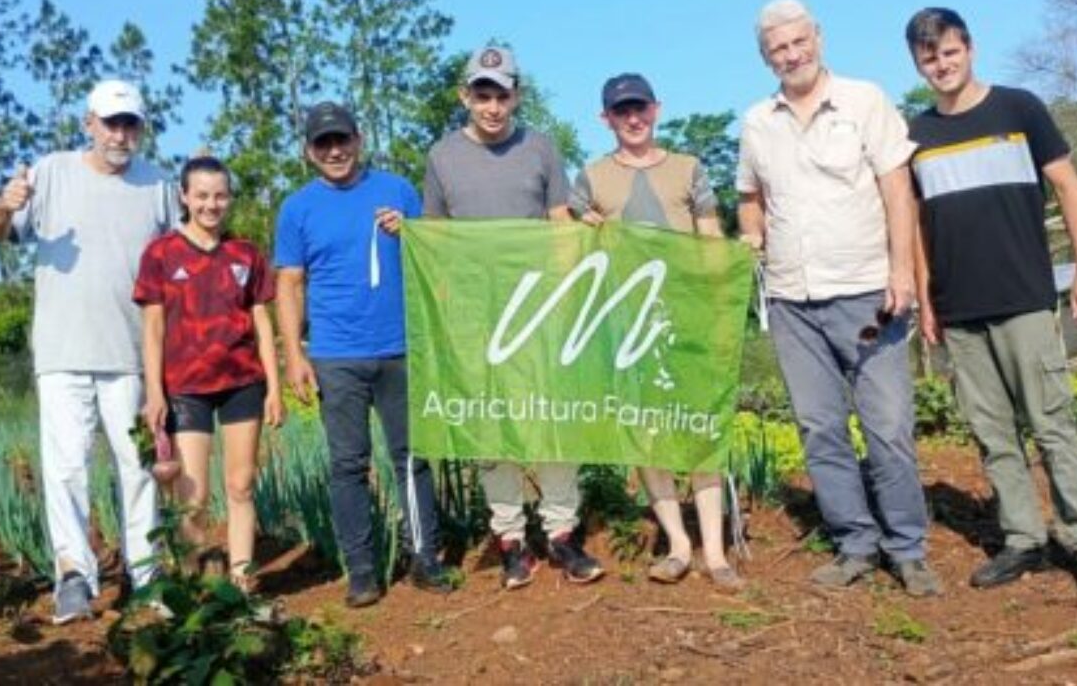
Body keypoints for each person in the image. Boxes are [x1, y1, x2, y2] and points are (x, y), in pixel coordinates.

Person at [904, 7, 1077, 593]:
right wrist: (927, 298)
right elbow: (920, 222)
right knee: (992, 432)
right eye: (929, 56)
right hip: (960, 309)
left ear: (969, 49)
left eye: (949, 51)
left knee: (1052, 424)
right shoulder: (916, 136)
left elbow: (1070, 186)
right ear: (917, 63)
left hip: (1024, 296)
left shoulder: (1019, 109)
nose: (941, 64)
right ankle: (1023, 539)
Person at [735, 0, 940, 596]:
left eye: (799, 42)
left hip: (865, 291)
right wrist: (752, 233)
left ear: (818, 38)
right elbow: (751, 196)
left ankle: (907, 546)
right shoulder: (757, 122)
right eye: (779, 48)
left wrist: (902, 270)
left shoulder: (864, 100)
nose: (792, 55)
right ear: (765, 57)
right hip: (793, 301)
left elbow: (896, 187)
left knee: (888, 425)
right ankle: (855, 543)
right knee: (820, 427)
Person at [0, 80, 178, 623]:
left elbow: (182, 261)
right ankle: (73, 576)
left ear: (141, 128)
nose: (120, 134)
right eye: (111, 123)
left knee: (137, 466)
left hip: (134, 355)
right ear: (89, 122)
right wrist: (4, 203)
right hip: (62, 353)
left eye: (130, 124)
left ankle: (147, 574)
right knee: (66, 467)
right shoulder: (49, 173)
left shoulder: (159, 185)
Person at [423, 45, 604, 589]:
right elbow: (434, 237)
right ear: (466, 96)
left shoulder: (542, 149)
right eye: (483, 94)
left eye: (502, 94)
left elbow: (557, 222)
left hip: (538, 309)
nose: (493, 106)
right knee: (490, 426)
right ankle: (509, 539)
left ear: (516, 96)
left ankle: (562, 534)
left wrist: (575, 268)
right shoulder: (441, 157)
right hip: (476, 317)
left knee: (551, 417)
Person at [570, 72, 744, 590]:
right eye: (621, 110)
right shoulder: (591, 177)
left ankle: (716, 553)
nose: (633, 118)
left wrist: (720, 297)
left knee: (700, 429)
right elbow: (572, 234)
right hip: (629, 325)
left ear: (656, 108)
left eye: (640, 107)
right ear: (606, 119)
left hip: (688, 316)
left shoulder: (689, 168)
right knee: (649, 433)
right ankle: (677, 546)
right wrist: (587, 229)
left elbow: (711, 237)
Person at [275, 101, 452, 607]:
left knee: (411, 459)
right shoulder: (297, 208)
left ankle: (426, 559)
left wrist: (410, 234)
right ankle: (362, 572)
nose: (335, 151)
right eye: (323, 144)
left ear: (359, 139)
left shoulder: (397, 191)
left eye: (342, 140)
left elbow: (433, 263)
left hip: (400, 348)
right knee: (348, 465)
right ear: (310, 152)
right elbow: (288, 284)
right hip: (336, 355)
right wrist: (295, 355)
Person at [133, 156, 282, 592]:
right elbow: (154, 327)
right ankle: (195, 587)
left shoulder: (246, 254)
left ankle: (242, 582)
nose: (211, 204)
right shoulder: (160, 253)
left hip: (242, 383)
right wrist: (155, 392)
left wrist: (273, 387)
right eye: (201, 195)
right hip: (186, 387)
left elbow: (261, 320)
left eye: (219, 195)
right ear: (183, 196)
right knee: (192, 498)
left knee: (241, 485)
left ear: (229, 198)